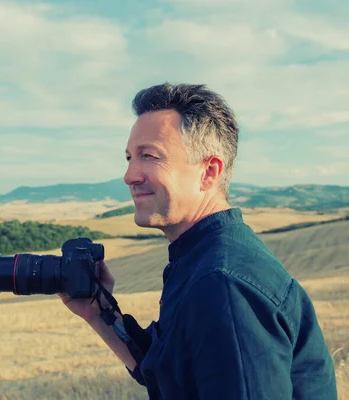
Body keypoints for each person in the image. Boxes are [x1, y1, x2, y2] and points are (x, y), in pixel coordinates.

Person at [58, 83, 338, 399]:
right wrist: (99, 312)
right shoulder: (201, 260)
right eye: (129, 158)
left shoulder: (223, 284)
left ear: (208, 172)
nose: (130, 175)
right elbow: (169, 373)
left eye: (148, 156)